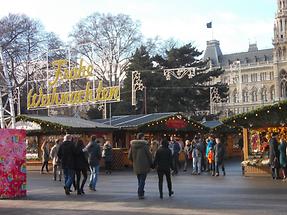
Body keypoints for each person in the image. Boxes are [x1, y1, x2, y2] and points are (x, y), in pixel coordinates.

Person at [128, 133, 152, 200]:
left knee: (139, 180)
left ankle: (141, 192)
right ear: (142, 137)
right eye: (144, 137)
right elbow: (149, 155)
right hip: (144, 165)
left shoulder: (132, 146)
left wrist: (134, 161)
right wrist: (151, 163)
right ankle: (140, 192)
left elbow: (129, 156)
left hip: (136, 165)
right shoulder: (145, 146)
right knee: (142, 180)